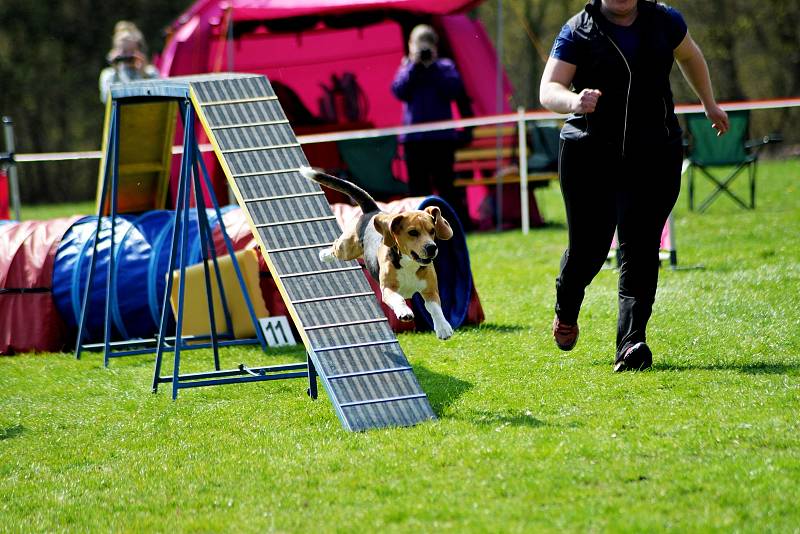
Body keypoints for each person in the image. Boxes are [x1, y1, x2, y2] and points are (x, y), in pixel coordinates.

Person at [539, 0, 729, 371]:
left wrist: (709, 103)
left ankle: (631, 343)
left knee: (640, 246)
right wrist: (574, 101)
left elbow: (691, 56)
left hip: (654, 152)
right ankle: (567, 305)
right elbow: (549, 87)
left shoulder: (665, 20)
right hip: (589, 153)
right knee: (589, 250)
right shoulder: (578, 29)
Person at [391, 24, 471, 229]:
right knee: (417, 187)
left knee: (446, 186)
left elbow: (453, 90)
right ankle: (416, 228)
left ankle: (450, 227)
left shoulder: (445, 67)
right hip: (414, 140)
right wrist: (413, 66)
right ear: (410, 47)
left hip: (441, 139)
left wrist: (433, 66)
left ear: (435, 47)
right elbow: (399, 91)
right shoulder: (407, 67)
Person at [99, 21, 159, 104]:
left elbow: (158, 97)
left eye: (131, 51)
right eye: (124, 51)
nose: (128, 56)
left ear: (139, 51)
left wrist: (143, 74)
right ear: (116, 52)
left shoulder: (151, 72)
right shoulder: (108, 74)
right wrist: (116, 71)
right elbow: (106, 99)